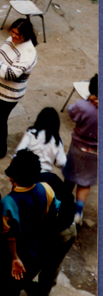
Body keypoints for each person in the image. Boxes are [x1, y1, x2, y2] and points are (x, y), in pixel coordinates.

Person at [2, 149, 72, 296]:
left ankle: (39, 292)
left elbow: (20, 229)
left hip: (60, 231)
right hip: (64, 222)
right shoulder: (47, 182)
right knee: (52, 262)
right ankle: (41, 289)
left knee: (40, 260)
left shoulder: (18, 198)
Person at [0, 18, 37, 160]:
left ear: (25, 36)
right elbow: (4, 61)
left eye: (17, 34)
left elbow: (10, 74)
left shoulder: (28, 53)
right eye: (12, 32)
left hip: (9, 94)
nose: (13, 36)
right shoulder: (12, 39)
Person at [63, 74, 98, 226]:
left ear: (90, 88)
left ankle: (63, 204)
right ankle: (78, 213)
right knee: (84, 182)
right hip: (95, 153)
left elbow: (71, 113)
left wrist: (86, 101)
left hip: (78, 148)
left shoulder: (83, 106)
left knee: (70, 176)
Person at [14, 107, 66, 172]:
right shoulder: (57, 140)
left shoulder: (31, 133)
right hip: (44, 175)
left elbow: (19, 151)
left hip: (26, 170)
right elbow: (61, 162)